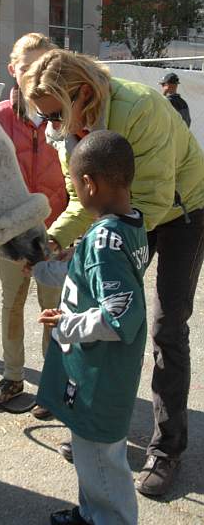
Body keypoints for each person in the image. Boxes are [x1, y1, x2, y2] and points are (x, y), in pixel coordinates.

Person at [21, 49, 204, 497]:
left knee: (164, 328)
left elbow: (156, 201)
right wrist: (56, 240)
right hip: (127, 212)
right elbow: (78, 194)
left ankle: (167, 448)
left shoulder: (141, 107)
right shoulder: (65, 127)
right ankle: (98, 429)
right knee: (97, 314)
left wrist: (99, 244)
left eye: (55, 114)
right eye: (43, 117)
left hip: (182, 212)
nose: (51, 126)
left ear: (83, 93)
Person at [34, 130, 147, 525]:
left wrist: (67, 323)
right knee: (89, 451)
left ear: (88, 183)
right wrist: (48, 264)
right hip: (104, 369)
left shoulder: (104, 239)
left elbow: (120, 317)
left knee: (100, 457)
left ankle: (110, 519)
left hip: (101, 371)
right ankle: (90, 513)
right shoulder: (129, 224)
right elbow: (93, 274)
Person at [0, 33, 68, 416]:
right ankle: (12, 375)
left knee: (54, 307)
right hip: (12, 234)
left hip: (57, 230)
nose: (35, 74)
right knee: (12, 304)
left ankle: (52, 384)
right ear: (11, 69)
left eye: (43, 65)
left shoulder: (66, 114)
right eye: (26, 66)